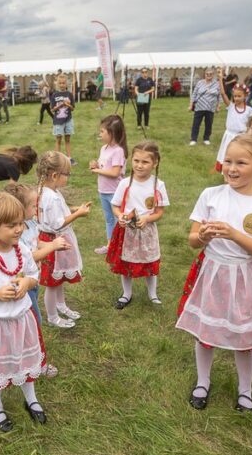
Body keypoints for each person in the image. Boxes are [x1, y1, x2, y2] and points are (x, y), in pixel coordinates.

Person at [176, 134, 252, 411]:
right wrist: (205, 237)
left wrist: (234, 234)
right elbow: (193, 240)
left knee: (244, 338)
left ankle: (245, 389)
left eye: (241, 163)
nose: (232, 169)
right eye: (228, 162)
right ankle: (202, 382)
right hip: (213, 273)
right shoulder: (211, 195)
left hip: (247, 278)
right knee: (205, 331)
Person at [0, 192, 56, 432]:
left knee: (25, 358)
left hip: (22, 319)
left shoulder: (22, 251)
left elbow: (33, 274)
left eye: (20, 223)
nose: (19, 229)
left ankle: (31, 398)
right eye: (11, 225)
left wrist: (27, 283)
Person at [107, 141, 169, 308]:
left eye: (145, 162)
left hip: (147, 231)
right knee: (125, 262)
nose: (140, 166)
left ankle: (152, 294)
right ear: (131, 160)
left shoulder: (158, 185)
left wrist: (148, 219)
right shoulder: (125, 183)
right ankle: (127, 294)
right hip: (127, 231)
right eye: (136, 161)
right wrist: (120, 215)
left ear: (155, 163)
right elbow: (115, 205)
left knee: (150, 260)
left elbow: (160, 211)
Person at [36, 151, 91, 328]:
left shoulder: (48, 190)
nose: (68, 178)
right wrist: (79, 214)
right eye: (66, 174)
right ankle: (53, 317)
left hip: (54, 240)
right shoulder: (50, 196)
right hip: (53, 242)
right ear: (54, 175)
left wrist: (74, 208)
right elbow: (57, 223)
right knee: (52, 283)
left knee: (58, 280)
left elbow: (60, 211)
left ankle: (61, 305)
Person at [4, 182, 70, 324]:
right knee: (34, 319)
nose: (37, 210)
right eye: (34, 206)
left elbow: (36, 243)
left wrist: (54, 245)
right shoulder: (17, 234)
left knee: (32, 314)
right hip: (22, 282)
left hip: (33, 277)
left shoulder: (31, 224)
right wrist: (52, 246)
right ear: (20, 210)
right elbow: (30, 256)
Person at [89, 114, 128, 255]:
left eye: (102, 131)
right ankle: (111, 245)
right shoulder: (104, 148)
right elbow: (105, 166)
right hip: (103, 191)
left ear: (112, 133)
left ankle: (124, 245)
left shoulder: (118, 151)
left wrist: (97, 170)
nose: (100, 134)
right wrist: (96, 164)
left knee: (120, 219)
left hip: (114, 192)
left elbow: (115, 173)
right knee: (109, 220)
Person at [214, 84, 252, 171]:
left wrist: (249, 136)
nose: (236, 98)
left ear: (245, 96)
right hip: (229, 136)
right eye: (235, 96)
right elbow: (223, 93)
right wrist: (220, 78)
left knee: (238, 155)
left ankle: (237, 171)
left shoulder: (249, 110)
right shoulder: (231, 106)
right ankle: (225, 173)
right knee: (227, 154)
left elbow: (250, 125)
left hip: (241, 137)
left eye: (239, 96)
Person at [189, 68, 225, 145]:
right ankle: (193, 139)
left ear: (213, 75)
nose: (209, 75)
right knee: (196, 123)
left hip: (210, 107)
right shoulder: (200, 83)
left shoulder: (217, 84)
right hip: (199, 106)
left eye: (211, 74)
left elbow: (220, 96)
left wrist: (218, 106)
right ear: (204, 74)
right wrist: (191, 105)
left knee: (209, 124)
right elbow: (194, 94)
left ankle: (206, 138)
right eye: (207, 74)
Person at [50, 74, 76, 163]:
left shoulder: (69, 94)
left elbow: (73, 108)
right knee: (58, 140)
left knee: (68, 139)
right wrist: (60, 105)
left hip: (68, 120)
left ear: (66, 84)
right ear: (57, 84)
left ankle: (69, 158)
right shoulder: (54, 95)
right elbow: (52, 109)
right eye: (60, 83)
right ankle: (58, 159)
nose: (62, 85)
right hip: (58, 121)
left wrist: (68, 105)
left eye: (63, 83)